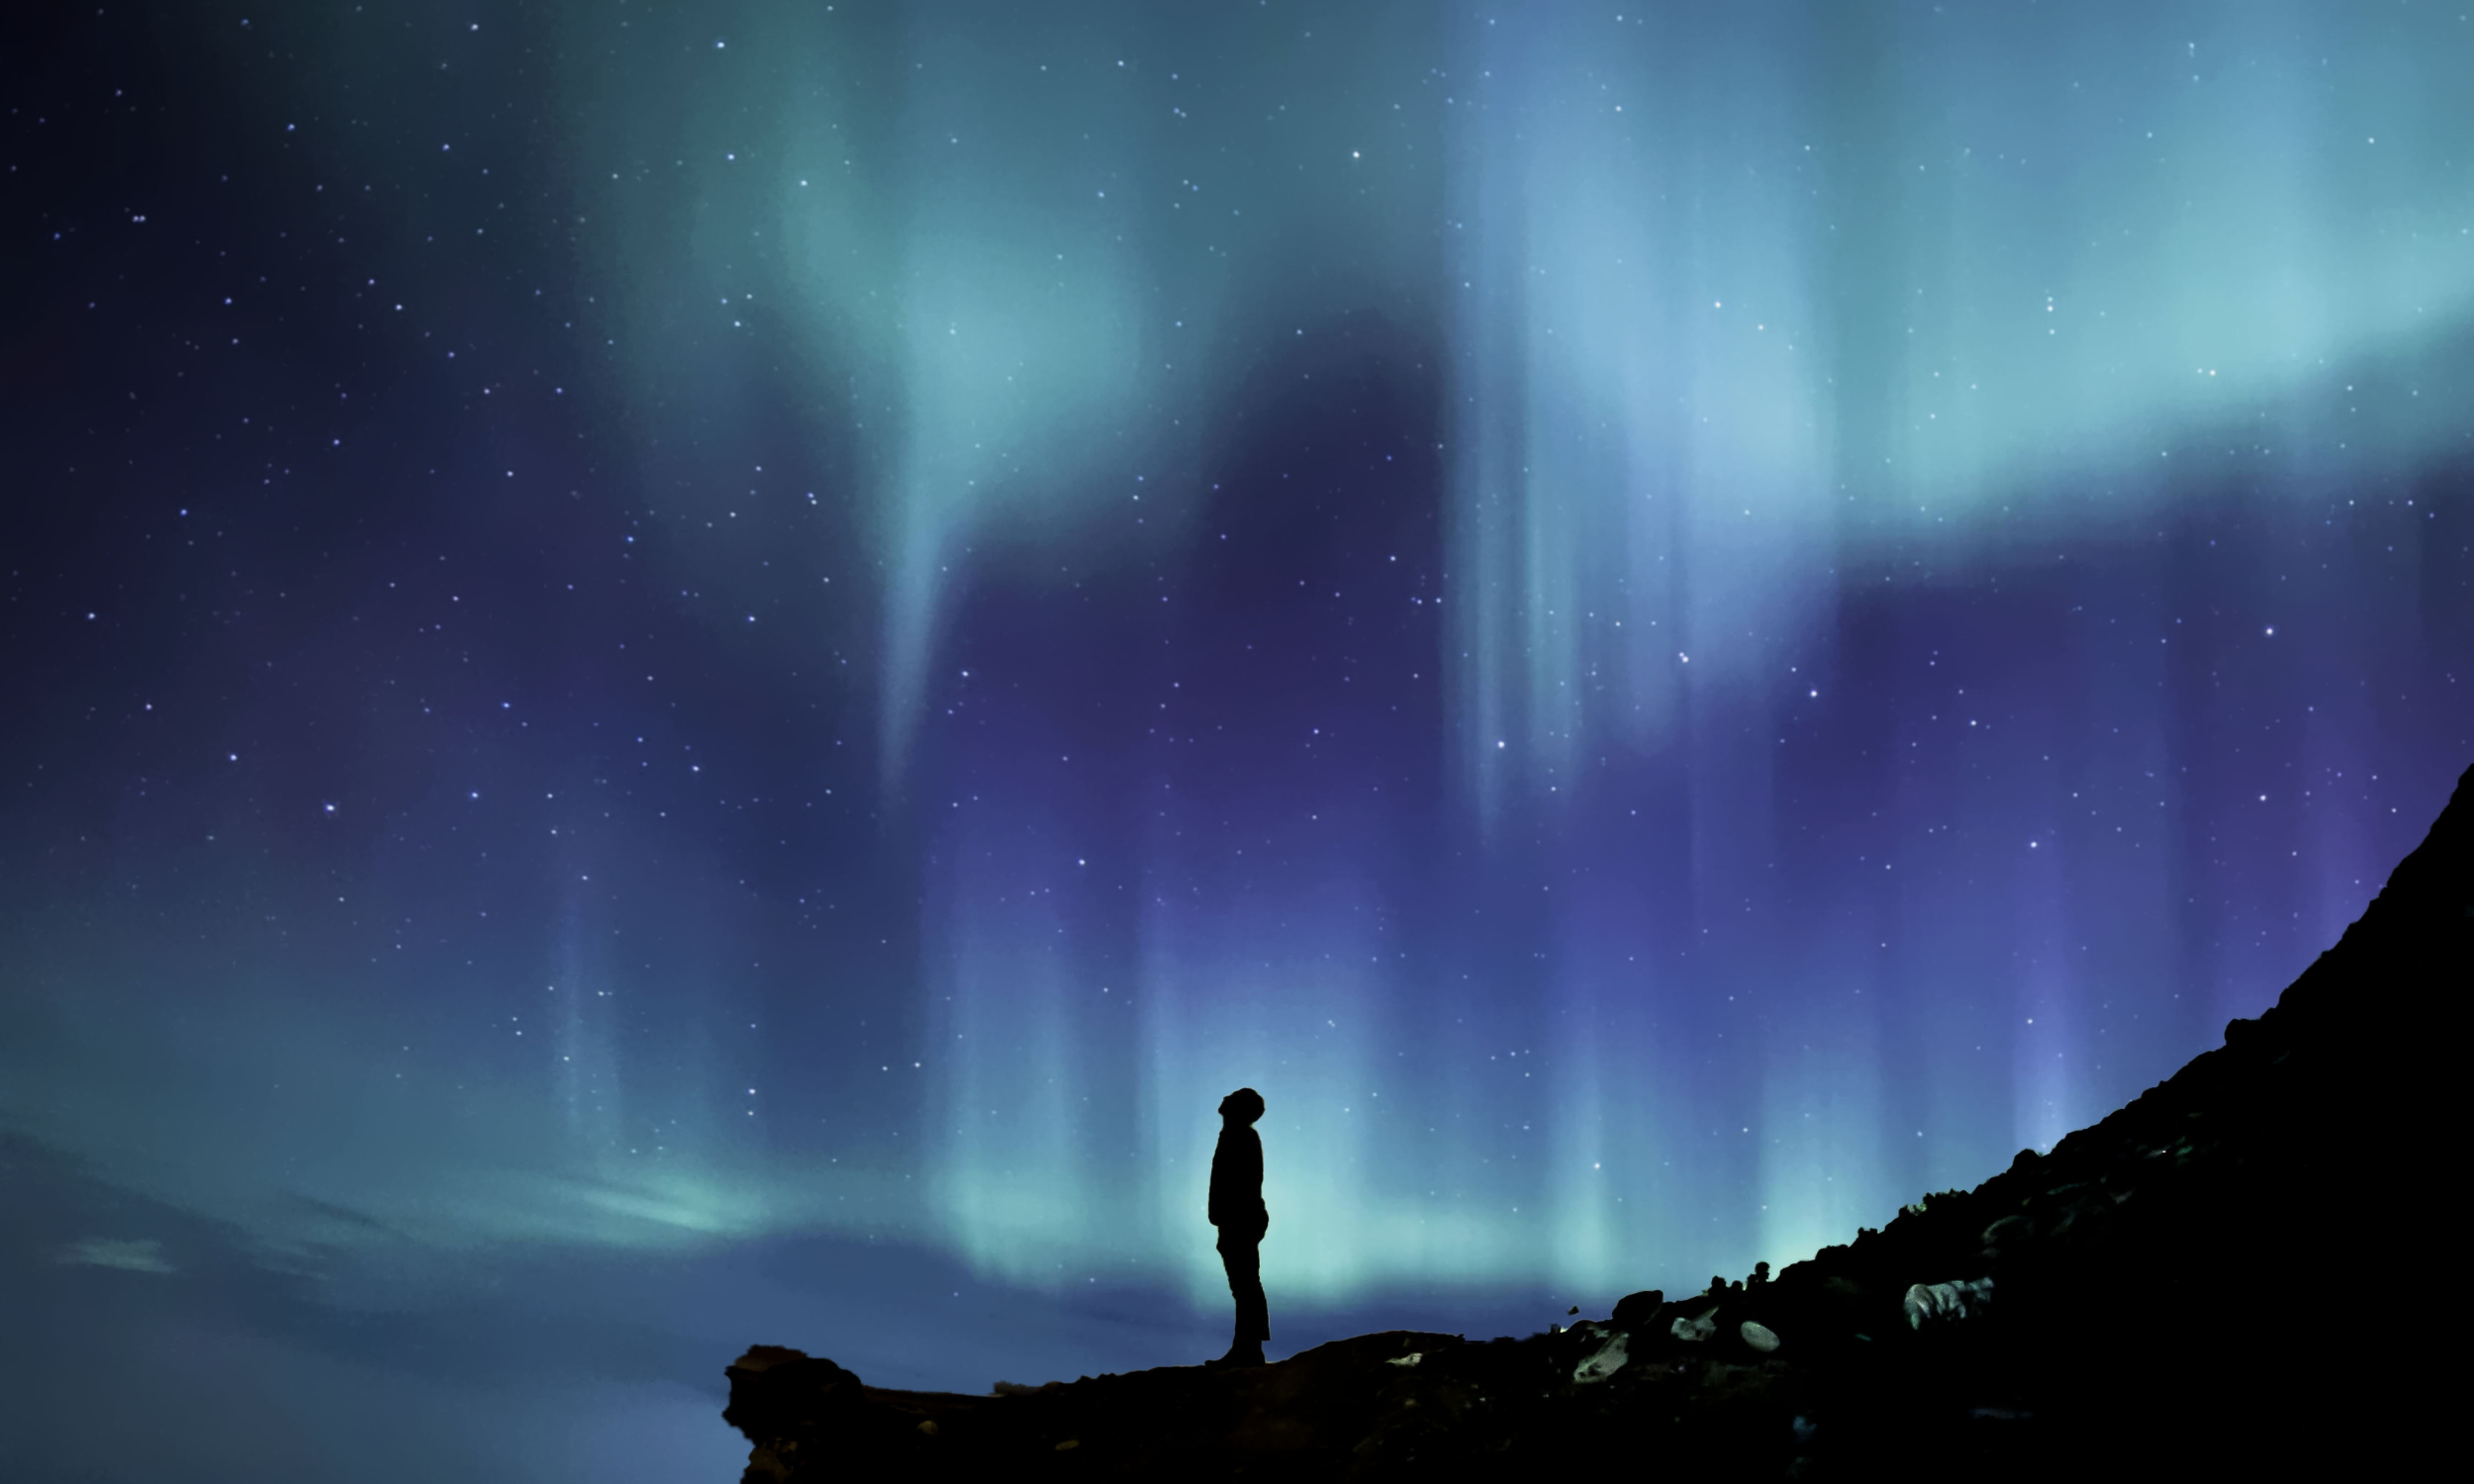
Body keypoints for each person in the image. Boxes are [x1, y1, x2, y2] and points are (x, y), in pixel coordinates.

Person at [1204, 1086, 1270, 1368]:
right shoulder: (1235, 1136)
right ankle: (1245, 1347)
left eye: (1232, 1098)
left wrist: (1232, 1220)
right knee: (1242, 1285)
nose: (1224, 1099)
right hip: (1236, 1220)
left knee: (1245, 1285)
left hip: (1240, 1220)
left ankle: (1248, 1349)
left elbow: (1244, 1185)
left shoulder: (1242, 1137)